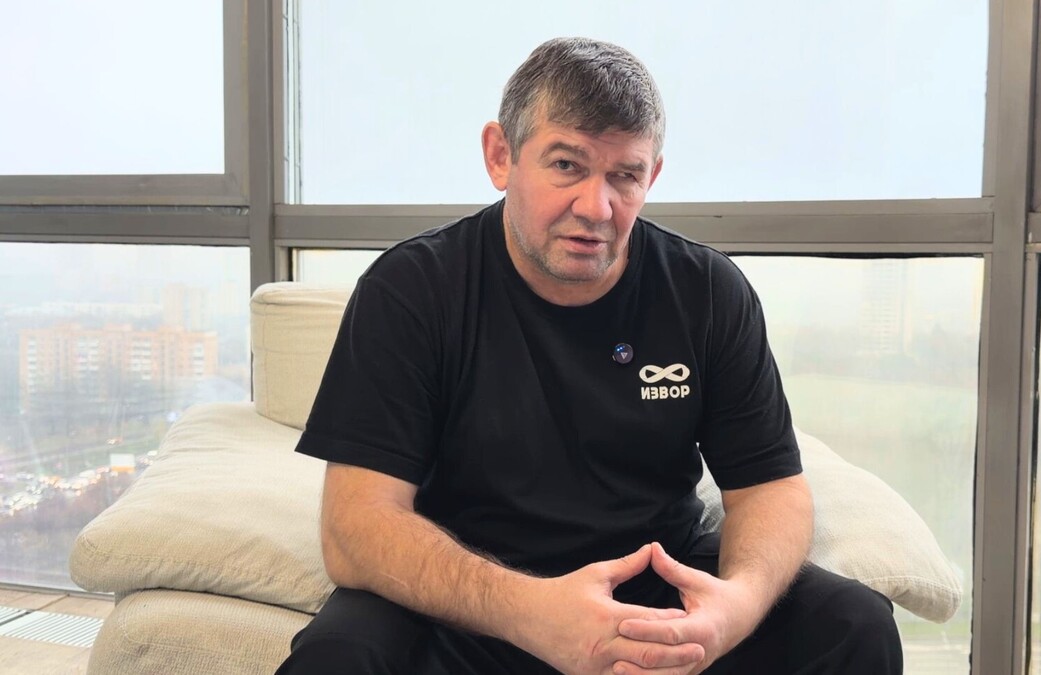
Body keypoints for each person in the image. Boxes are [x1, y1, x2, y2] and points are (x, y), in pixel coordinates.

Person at [276, 37, 902, 675]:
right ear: (500, 155)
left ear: (652, 176)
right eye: (567, 165)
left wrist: (733, 609)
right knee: (336, 658)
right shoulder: (412, 288)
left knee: (853, 624)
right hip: (473, 599)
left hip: (655, 590)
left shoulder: (707, 291)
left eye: (624, 176)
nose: (595, 207)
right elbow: (355, 524)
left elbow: (770, 488)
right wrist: (532, 612)